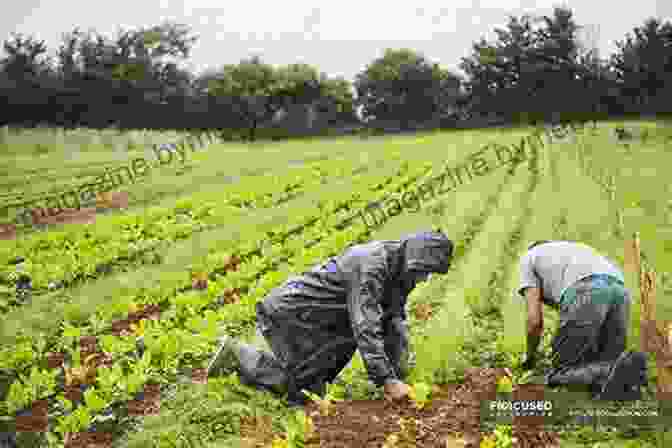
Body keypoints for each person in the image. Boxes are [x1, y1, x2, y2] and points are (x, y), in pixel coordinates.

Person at [208, 230, 454, 407]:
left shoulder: (400, 270)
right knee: (303, 393)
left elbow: (393, 321)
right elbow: (365, 324)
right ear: (413, 258)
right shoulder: (371, 265)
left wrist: (400, 372)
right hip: (295, 313)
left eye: (427, 273)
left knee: (312, 388)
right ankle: (237, 355)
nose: (423, 279)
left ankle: (262, 367)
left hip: (320, 320)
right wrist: (387, 380)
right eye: (423, 271)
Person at [518, 240, 648, 400]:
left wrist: (530, 358)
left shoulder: (528, 257)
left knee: (560, 373)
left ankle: (617, 372)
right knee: (606, 361)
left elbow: (534, 321)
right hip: (620, 290)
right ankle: (626, 376)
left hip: (586, 290)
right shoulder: (574, 249)